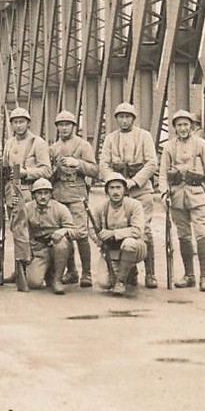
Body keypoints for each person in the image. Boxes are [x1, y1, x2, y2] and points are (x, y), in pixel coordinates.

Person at [99, 102, 158, 288]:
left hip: (139, 189)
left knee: (144, 230)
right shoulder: (110, 138)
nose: (124, 120)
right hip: (117, 189)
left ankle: (151, 273)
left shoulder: (144, 136)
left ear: (133, 118)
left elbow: (151, 163)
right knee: (118, 225)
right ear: (116, 119)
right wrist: (114, 181)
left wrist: (133, 182)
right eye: (121, 117)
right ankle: (128, 270)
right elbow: (104, 163)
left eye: (128, 117)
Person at [158, 108, 205, 292]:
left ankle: (204, 277)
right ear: (174, 128)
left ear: (191, 126)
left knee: (201, 234)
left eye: (186, 124)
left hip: (197, 195)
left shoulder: (201, 144)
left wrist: (202, 186)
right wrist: (164, 194)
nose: (183, 128)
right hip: (177, 196)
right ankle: (189, 275)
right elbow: (162, 174)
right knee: (183, 235)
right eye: (179, 125)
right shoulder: (168, 147)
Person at [2, 106, 51, 290]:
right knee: (16, 231)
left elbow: (46, 170)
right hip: (11, 192)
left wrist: (26, 172)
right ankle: (18, 269)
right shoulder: (9, 143)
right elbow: (6, 169)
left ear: (28, 123)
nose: (19, 125)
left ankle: (29, 269)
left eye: (22, 121)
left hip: (29, 192)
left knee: (28, 232)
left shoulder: (38, 142)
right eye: (15, 122)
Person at [49, 109, 97, 287]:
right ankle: (72, 271)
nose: (63, 128)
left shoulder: (83, 145)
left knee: (81, 234)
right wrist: (55, 169)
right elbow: (49, 176)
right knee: (64, 234)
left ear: (74, 126)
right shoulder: (53, 148)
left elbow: (94, 170)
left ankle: (87, 273)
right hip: (59, 194)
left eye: (67, 124)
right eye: (60, 125)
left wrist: (78, 164)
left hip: (77, 194)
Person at [88, 175, 147, 297]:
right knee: (104, 283)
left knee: (129, 244)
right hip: (111, 249)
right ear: (106, 191)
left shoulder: (135, 205)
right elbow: (91, 229)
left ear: (125, 190)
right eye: (111, 188)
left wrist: (113, 233)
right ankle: (128, 271)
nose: (115, 192)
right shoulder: (101, 207)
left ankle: (121, 282)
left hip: (135, 247)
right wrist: (100, 240)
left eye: (118, 188)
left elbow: (137, 230)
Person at [24, 177, 74, 294]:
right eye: (39, 193)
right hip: (38, 249)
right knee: (34, 283)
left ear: (51, 194)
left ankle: (57, 280)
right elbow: (19, 230)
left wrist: (64, 231)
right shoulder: (27, 208)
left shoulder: (60, 208)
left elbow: (76, 231)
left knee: (62, 244)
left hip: (55, 246)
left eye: (46, 193)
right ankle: (47, 271)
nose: (43, 196)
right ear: (33, 195)